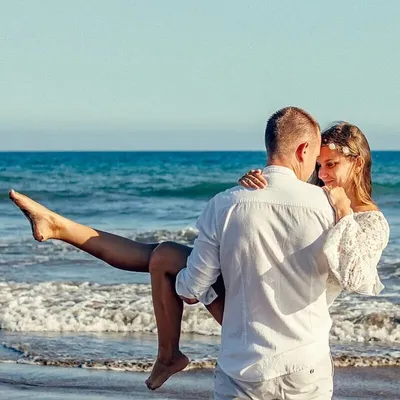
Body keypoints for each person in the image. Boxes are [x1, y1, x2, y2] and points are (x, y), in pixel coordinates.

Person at [8, 108, 389, 397]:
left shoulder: (360, 219)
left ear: (357, 163)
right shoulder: (315, 202)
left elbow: (357, 278)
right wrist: (262, 193)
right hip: (280, 339)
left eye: (331, 165)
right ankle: (62, 228)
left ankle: (63, 229)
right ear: (305, 151)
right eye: (318, 165)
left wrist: (330, 209)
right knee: (162, 256)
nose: (321, 175)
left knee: (164, 257)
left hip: (272, 336)